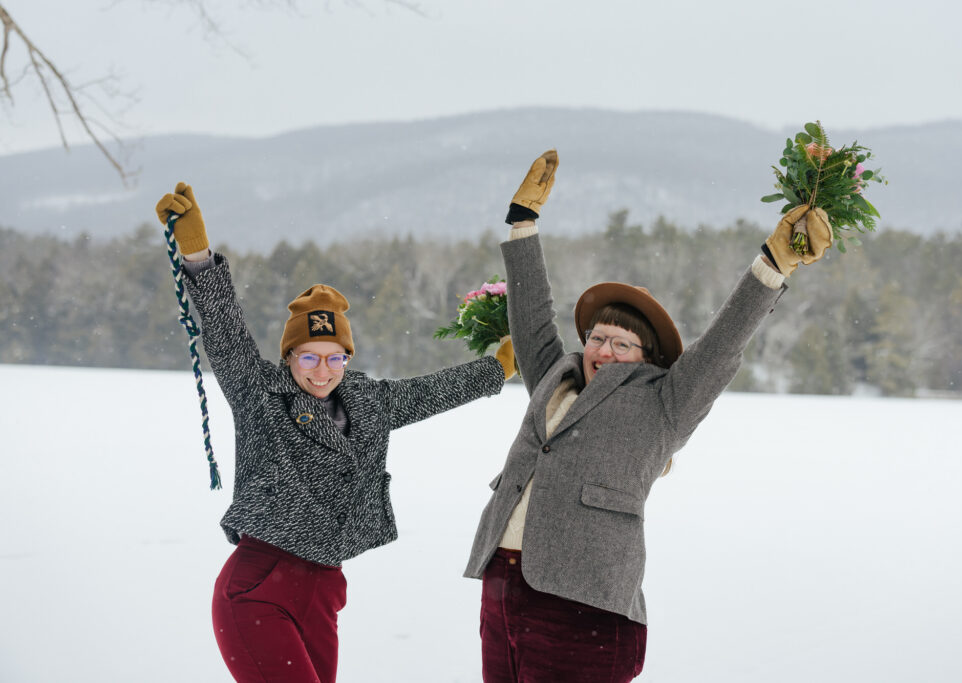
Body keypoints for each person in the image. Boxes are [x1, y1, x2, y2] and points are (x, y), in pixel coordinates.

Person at [463, 151, 832, 682]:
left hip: (583, 605)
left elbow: (722, 344)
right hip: (504, 586)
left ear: (648, 356)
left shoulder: (665, 402)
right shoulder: (554, 378)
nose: (603, 350)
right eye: (597, 337)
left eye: (621, 343)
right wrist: (523, 224)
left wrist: (772, 264)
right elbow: (532, 318)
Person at [154, 182, 516, 683]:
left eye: (334, 358)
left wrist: (496, 369)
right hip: (258, 589)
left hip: (323, 592)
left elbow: (430, 391)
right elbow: (225, 331)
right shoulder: (261, 394)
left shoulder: (369, 402)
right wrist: (197, 254)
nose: (322, 371)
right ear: (289, 357)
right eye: (308, 357)